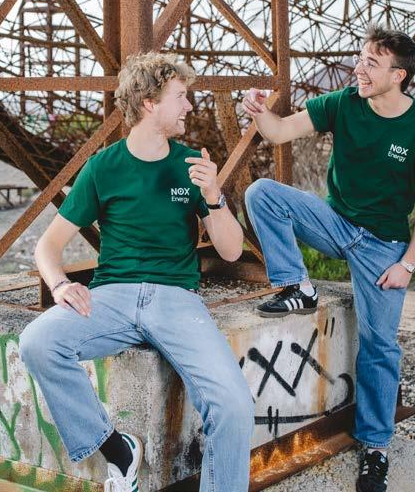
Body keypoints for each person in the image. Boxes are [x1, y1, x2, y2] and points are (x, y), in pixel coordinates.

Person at [18, 52, 254, 492]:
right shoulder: (103, 167)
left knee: (235, 405)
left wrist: (214, 195)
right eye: (180, 97)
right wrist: (60, 284)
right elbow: (47, 247)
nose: (189, 106)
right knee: (38, 342)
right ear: (149, 103)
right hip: (113, 296)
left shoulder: (191, 164)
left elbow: (231, 249)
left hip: (177, 300)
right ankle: (117, 449)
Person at [243, 24, 415, 492]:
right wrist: (259, 111)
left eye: (371, 64)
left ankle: (375, 448)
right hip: (336, 224)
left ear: (398, 76)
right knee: (263, 194)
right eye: (360, 59)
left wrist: (408, 264)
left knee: (380, 346)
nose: (359, 69)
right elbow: (280, 131)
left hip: (384, 246)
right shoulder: (343, 102)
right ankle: (298, 286)